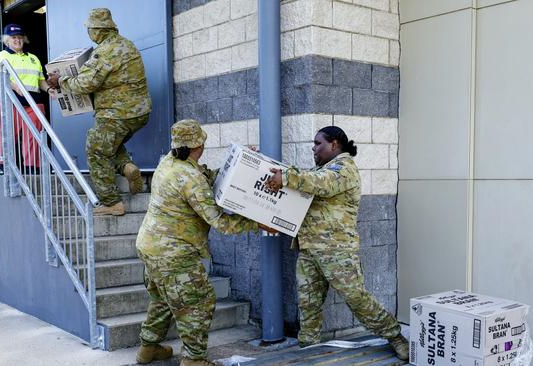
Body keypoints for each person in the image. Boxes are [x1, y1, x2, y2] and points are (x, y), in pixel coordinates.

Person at [265, 126, 409, 361]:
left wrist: (288, 177)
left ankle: (395, 336)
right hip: (309, 248)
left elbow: (321, 183)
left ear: (333, 144)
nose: (314, 148)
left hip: (337, 252)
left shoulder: (344, 169)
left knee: (357, 298)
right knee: (308, 304)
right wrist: (263, 165)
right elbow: (305, 181)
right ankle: (308, 349)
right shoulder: (320, 169)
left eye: (318, 143)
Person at [134, 119, 267, 366]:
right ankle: (194, 360)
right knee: (198, 302)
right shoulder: (189, 178)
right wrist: (258, 223)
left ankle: (148, 348)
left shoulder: (169, 161)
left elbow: (209, 177)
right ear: (199, 145)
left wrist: (241, 161)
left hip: (150, 247)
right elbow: (220, 222)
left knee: (163, 299)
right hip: (174, 253)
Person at [47, 8, 151, 216]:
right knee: (110, 144)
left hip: (117, 113)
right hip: (139, 113)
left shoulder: (105, 51)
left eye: (89, 29)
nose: (89, 33)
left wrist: (60, 81)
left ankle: (112, 202)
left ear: (98, 30)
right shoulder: (126, 44)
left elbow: (86, 83)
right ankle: (126, 167)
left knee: (96, 149)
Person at [0, 23, 52, 172]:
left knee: (34, 135)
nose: (17, 40)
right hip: (8, 101)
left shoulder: (33, 58)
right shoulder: (3, 55)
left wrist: (49, 89)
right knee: (7, 135)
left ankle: (32, 166)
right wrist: (15, 86)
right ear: (7, 40)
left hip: (32, 102)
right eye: (13, 38)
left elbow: (40, 80)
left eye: (20, 37)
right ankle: (5, 164)